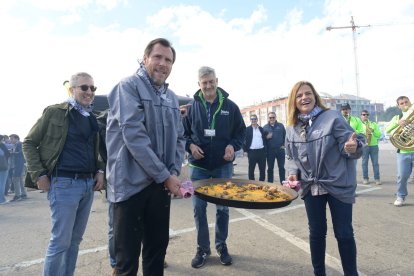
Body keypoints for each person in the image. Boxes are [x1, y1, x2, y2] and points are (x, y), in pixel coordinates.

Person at [106, 38, 185, 276]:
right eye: (158, 57)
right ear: (145, 58)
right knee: (126, 261)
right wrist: (165, 176)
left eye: (168, 60)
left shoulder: (171, 98)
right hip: (130, 187)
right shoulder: (128, 86)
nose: (163, 64)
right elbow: (134, 136)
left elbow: (180, 138)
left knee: (156, 254)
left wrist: (173, 172)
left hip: (160, 186)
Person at [22, 72, 105, 276]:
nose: (89, 92)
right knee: (60, 241)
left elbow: (98, 149)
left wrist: (100, 170)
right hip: (64, 183)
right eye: (84, 87)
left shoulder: (92, 117)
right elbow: (29, 142)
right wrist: (39, 174)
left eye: (92, 88)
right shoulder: (55, 112)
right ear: (72, 89)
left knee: (75, 241)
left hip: (87, 185)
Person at [285, 81, 363, 276]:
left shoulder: (332, 117)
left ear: (315, 96)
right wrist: (293, 171)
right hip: (311, 186)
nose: (304, 97)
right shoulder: (292, 128)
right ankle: (319, 273)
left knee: (344, 233)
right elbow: (290, 156)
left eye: (308, 93)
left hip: (337, 183)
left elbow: (350, 141)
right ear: (294, 101)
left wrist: (351, 147)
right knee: (316, 233)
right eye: (300, 95)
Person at [182, 66, 246, 268]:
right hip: (198, 167)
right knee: (198, 209)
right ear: (198, 85)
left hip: (222, 167)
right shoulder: (190, 108)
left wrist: (232, 146)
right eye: (204, 83)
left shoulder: (231, 107)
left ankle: (221, 245)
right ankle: (202, 248)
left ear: (217, 81)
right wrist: (190, 146)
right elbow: (182, 135)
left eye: (211, 81)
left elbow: (241, 134)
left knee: (223, 209)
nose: (208, 86)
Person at [385, 96, 414, 207]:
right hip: (403, 151)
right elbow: (387, 130)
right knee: (402, 176)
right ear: (398, 106)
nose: (405, 104)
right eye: (402, 103)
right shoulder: (397, 117)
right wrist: (398, 123)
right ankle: (400, 196)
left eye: (406, 102)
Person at [359, 110, 382, 185]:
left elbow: (379, 135)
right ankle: (365, 178)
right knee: (364, 163)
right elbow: (355, 132)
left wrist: (373, 131)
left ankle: (377, 178)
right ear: (361, 116)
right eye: (363, 114)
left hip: (374, 146)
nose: (365, 116)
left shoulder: (373, 124)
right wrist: (362, 133)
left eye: (367, 115)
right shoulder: (359, 124)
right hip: (364, 146)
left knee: (375, 163)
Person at [263, 111, 286, 183]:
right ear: (268, 118)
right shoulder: (265, 127)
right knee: (270, 168)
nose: (272, 119)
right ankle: (270, 183)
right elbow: (262, 140)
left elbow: (285, 137)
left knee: (281, 168)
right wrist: (266, 137)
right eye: (270, 117)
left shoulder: (281, 125)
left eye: (273, 117)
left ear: (275, 117)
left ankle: (283, 183)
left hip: (280, 150)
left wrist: (283, 146)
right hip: (270, 151)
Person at [243, 114, 266, 181]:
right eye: (252, 119)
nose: (253, 120)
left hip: (261, 152)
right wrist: (245, 151)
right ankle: (251, 183)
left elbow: (264, 138)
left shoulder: (261, 129)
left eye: (254, 119)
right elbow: (244, 140)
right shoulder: (247, 129)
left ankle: (262, 183)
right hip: (252, 152)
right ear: (250, 120)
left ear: (257, 120)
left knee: (262, 169)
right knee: (251, 169)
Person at [9, 134, 27, 201]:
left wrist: (12, 153)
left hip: (19, 164)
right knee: (20, 179)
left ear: (16, 138)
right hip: (20, 164)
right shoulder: (17, 144)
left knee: (15, 179)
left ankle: (17, 195)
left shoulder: (19, 144)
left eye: (12, 139)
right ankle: (23, 194)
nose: (11, 140)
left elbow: (21, 153)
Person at [0, 135, 11, 205]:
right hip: (3, 167)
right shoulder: (2, 145)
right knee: (2, 184)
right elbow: (7, 154)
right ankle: (2, 200)